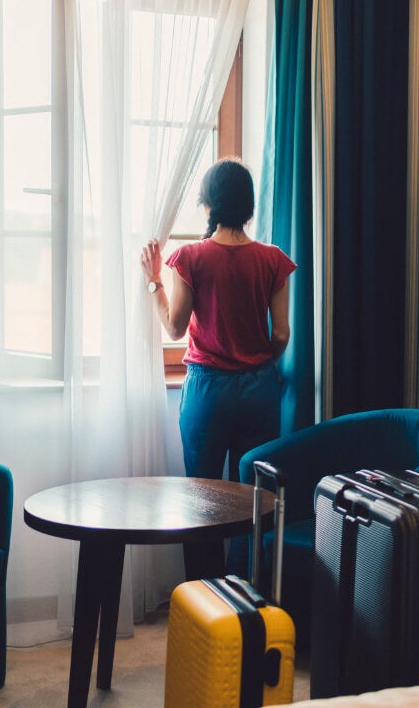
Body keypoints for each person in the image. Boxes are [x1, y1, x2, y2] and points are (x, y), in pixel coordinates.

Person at [141, 157, 295, 581]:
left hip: (209, 393)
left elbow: (174, 327)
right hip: (259, 390)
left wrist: (154, 282)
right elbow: (281, 335)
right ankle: (245, 590)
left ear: (209, 205)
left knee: (201, 498)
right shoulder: (272, 260)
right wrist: (256, 360)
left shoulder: (191, 257)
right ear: (248, 206)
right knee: (252, 498)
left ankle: (204, 597)